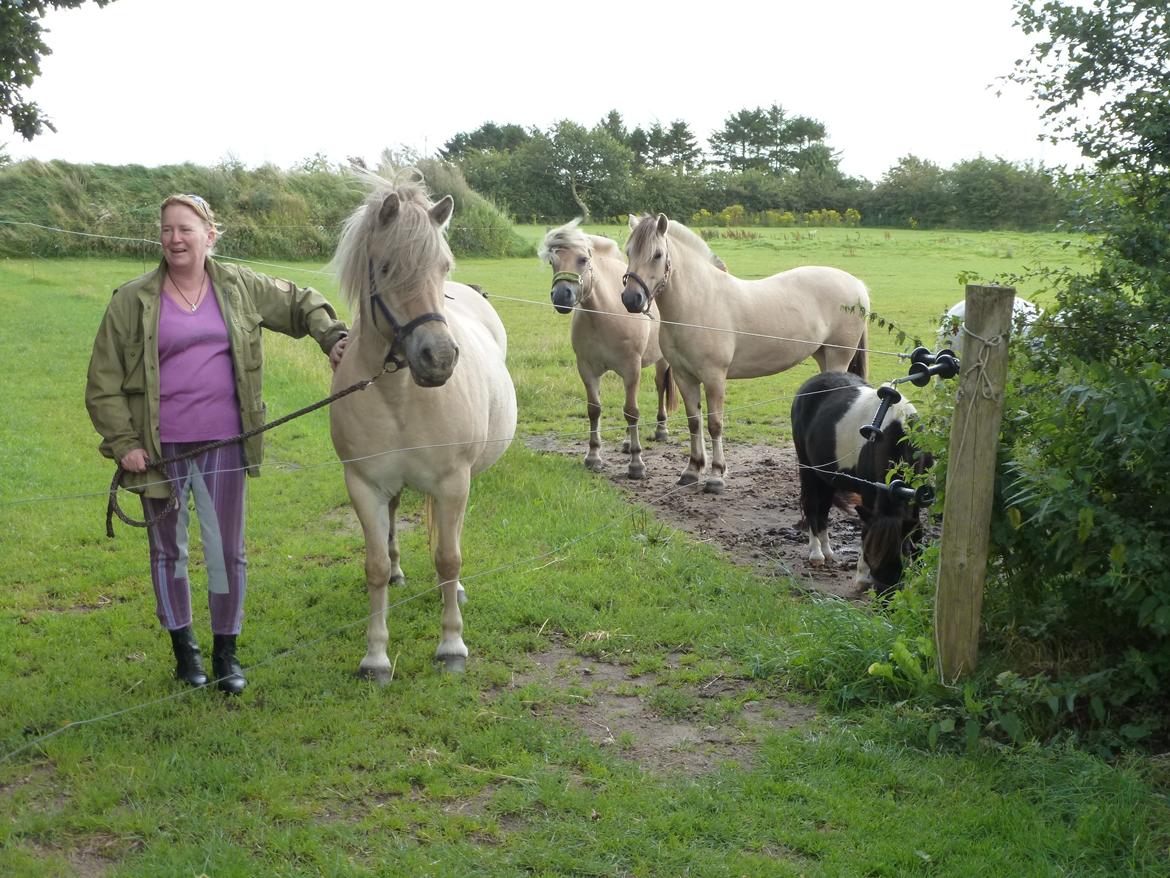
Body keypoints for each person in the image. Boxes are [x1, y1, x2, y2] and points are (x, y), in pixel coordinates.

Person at [85, 194, 350, 694]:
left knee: (228, 551)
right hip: (161, 451)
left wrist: (332, 336)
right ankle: (186, 654)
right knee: (169, 552)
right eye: (166, 229)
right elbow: (102, 382)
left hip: (226, 443)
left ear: (210, 235)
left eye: (185, 229)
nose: (175, 239)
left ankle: (226, 654)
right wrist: (124, 444)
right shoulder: (131, 300)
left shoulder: (240, 287)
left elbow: (300, 302)